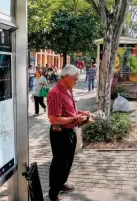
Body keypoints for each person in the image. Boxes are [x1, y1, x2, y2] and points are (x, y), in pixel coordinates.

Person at [47, 64, 93, 201]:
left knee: (68, 161)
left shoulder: (69, 89)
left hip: (70, 131)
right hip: (59, 133)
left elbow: (70, 111)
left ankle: (61, 183)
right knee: (59, 163)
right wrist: (75, 118)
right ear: (66, 77)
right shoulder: (55, 93)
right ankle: (53, 193)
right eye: (75, 79)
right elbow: (53, 118)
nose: (76, 82)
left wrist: (81, 113)